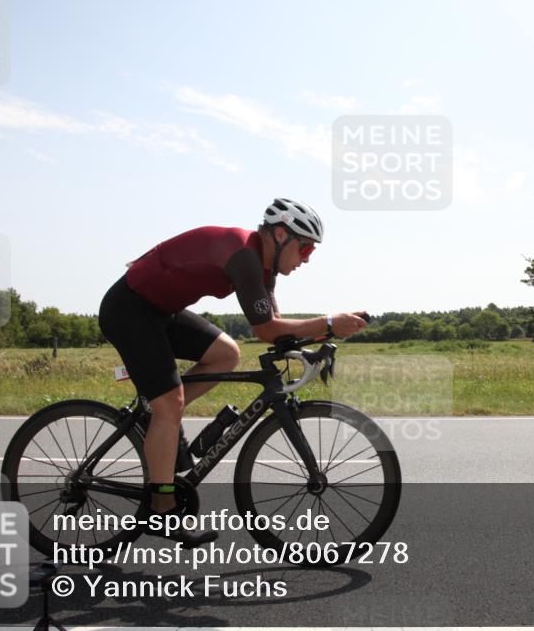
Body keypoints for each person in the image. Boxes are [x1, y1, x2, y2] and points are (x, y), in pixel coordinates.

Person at [98, 199, 367, 546]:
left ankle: (157, 416)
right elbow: (266, 329)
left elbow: (278, 330)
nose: (307, 258)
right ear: (281, 234)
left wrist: (323, 336)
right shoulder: (245, 256)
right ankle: (161, 508)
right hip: (129, 309)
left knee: (226, 354)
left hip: (160, 311)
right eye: (305, 247)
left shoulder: (264, 267)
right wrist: (329, 321)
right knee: (170, 404)